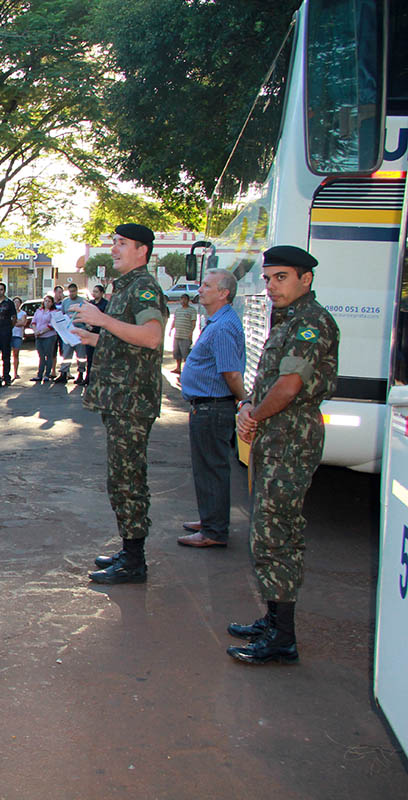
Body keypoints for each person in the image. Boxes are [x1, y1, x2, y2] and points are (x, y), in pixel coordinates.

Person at [227, 246, 338, 665]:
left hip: (291, 435)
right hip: (275, 433)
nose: (272, 286)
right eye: (269, 278)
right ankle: (273, 620)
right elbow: (268, 378)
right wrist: (248, 409)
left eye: (282, 278)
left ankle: (283, 638)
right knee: (269, 530)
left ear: (305, 279)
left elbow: (289, 386)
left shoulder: (311, 322)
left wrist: (253, 414)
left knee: (278, 532)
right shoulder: (288, 320)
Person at [71, 223, 168, 584]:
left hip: (132, 402)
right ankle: (129, 551)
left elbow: (152, 337)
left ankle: (134, 559)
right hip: (120, 400)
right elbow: (128, 344)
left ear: (142, 250)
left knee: (128, 479)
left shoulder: (143, 288)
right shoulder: (127, 287)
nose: (114, 249)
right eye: (114, 242)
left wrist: (101, 319)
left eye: (122, 243)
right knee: (121, 477)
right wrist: (94, 337)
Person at [175, 269, 246, 549]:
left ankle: (214, 531)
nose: (200, 289)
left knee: (212, 469)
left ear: (223, 293)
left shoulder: (222, 326)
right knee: (206, 469)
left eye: (207, 285)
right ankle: (210, 520)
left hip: (213, 408)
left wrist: (245, 401)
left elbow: (231, 373)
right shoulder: (217, 322)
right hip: (206, 407)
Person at [58, 284, 88, 385]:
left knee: (81, 354)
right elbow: (62, 315)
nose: (72, 293)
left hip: (79, 330)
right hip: (68, 332)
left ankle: (81, 373)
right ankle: (64, 373)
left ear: (77, 291)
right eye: (70, 291)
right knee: (66, 353)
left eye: (74, 291)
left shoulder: (82, 301)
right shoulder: (65, 302)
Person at [30, 296, 58, 383]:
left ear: (52, 303)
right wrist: (35, 331)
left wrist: (42, 331)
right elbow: (34, 322)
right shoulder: (39, 311)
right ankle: (39, 374)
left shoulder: (54, 312)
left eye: (49, 301)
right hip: (38, 337)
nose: (47, 303)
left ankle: (47, 374)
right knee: (41, 356)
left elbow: (52, 325)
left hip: (49, 336)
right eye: (45, 301)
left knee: (48, 355)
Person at [171, 294, 198, 374]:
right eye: (181, 299)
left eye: (185, 299)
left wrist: (191, 333)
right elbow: (175, 320)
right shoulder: (178, 310)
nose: (183, 301)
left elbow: (193, 323)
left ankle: (187, 370)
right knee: (176, 353)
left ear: (188, 300)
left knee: (185, 353)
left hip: (186, 336)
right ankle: (178, 368)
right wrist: (171, 329)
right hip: (177, 335)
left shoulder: (192, 310)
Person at [84, 285, 108, 373]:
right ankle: (88, 377)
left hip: (99, 333)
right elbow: (85, 315)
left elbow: (106, 319)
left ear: (102, 293)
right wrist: (87, 325)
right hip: (89, 332)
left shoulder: (106, 304)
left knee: (99, 357)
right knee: (89, 357)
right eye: (93, 291)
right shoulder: (90, 303)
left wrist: (95, 327)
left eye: (96, 292)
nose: (94, 294)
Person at [9, 297, 27, 381]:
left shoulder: (23, 313)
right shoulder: (9, 312)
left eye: (18, 302)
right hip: (9, 335)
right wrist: (17, 322)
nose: (16, 304)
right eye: (15, 302)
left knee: (16, 354)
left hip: (18, 335)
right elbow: (8, 323)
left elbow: (23, 323)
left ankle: (15, 372)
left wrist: (14, 322)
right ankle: (6, 372)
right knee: (6, 354)